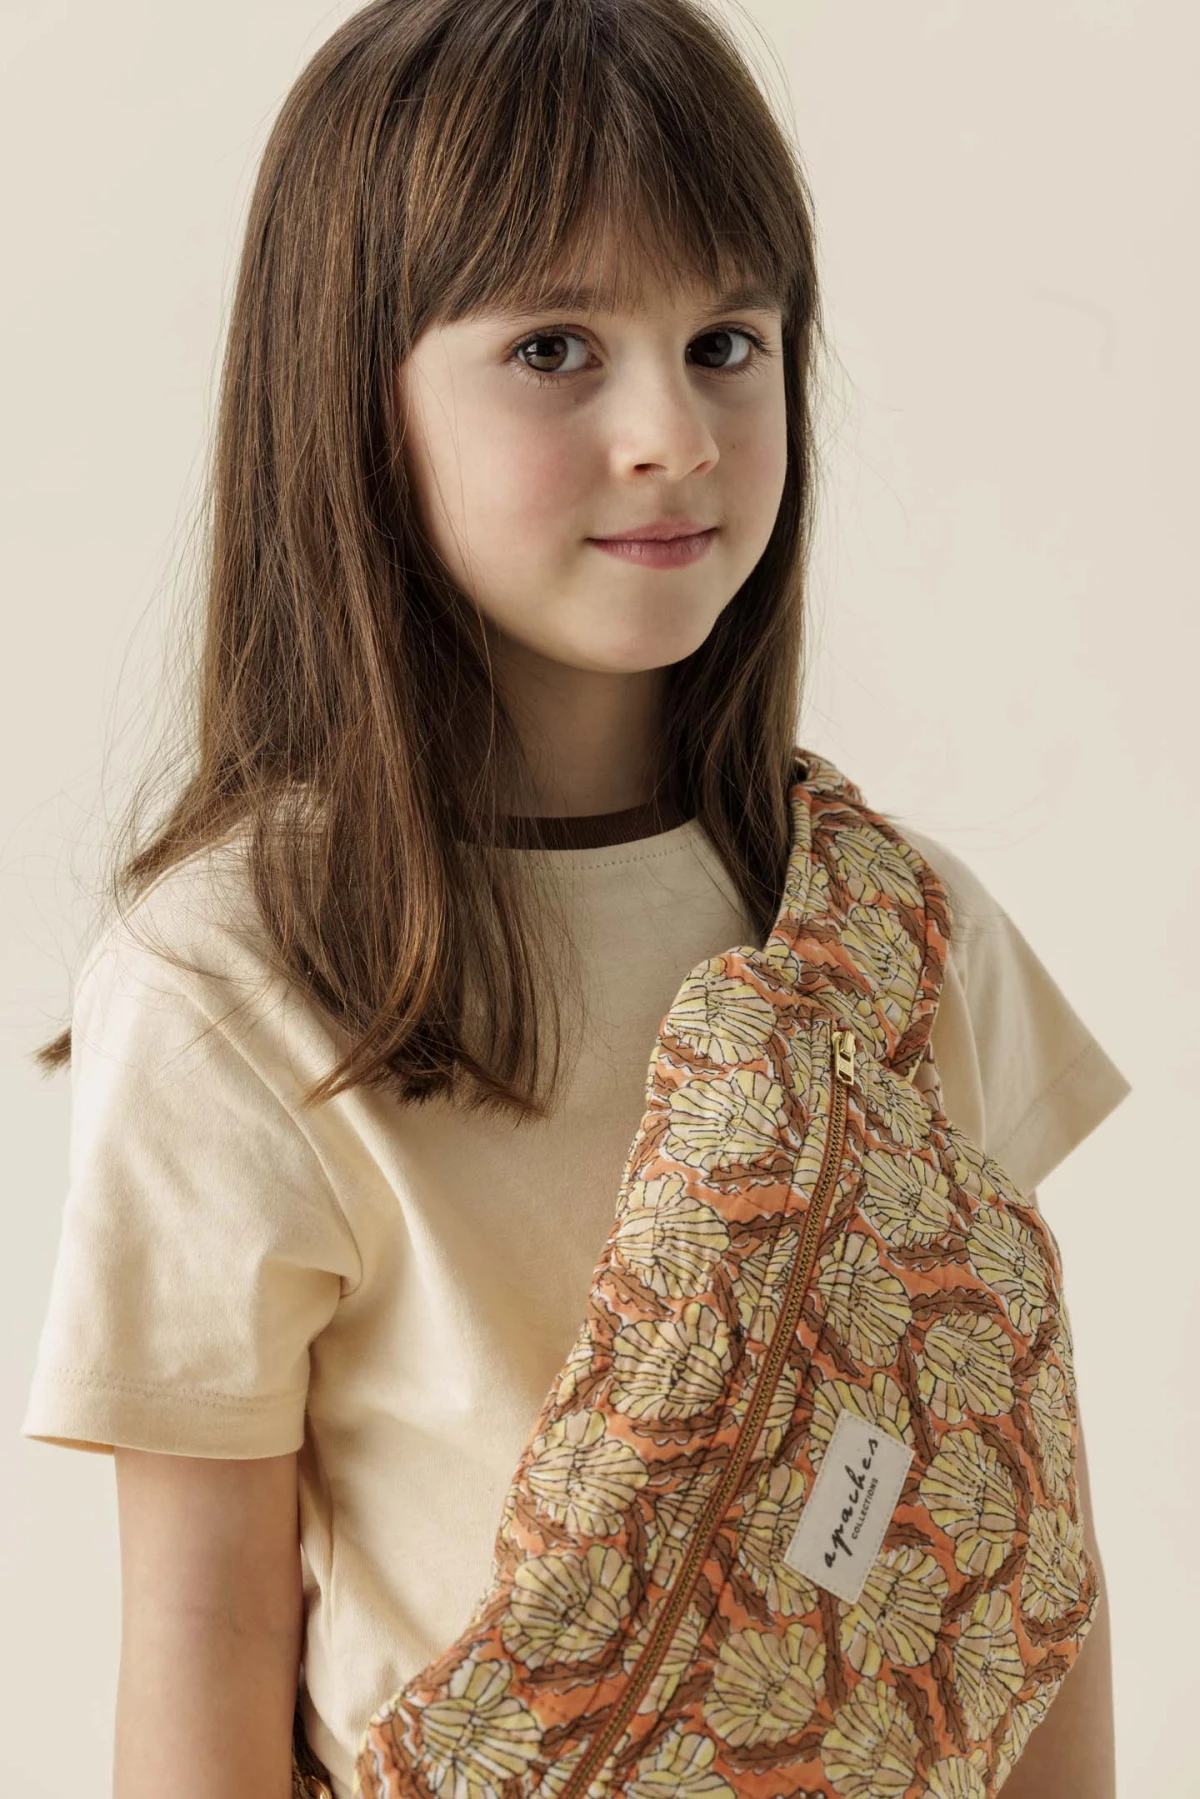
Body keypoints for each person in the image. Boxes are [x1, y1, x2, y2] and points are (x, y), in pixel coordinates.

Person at [19, 2, 1131, 1795]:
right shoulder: (237, 977)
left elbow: (1020, 1527)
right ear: (352, 396)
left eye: (725, 341)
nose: (673, 432)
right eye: (554, 347)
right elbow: (204, 1625)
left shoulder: (894, 923)